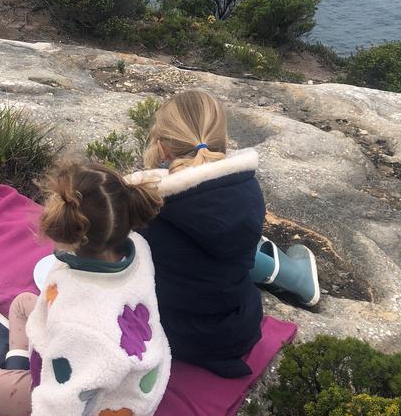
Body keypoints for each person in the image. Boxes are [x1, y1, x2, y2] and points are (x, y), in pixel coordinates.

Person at [0, 161, 171, 416]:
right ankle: (15, 358)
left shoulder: (81, 324)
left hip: (94, 410)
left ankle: (4, 366)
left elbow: (67, 405)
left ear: (66, 232)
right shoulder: (135, 246)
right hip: (119, 375)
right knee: (25, 304)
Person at [128, 89, 319, 379]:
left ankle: (294, 274)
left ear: (163, 147)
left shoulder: (146, 203)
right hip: (239, 330)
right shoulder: (247, 188)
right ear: (222, 140)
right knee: (229, 248)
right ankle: (294, 275)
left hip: (175, 336)